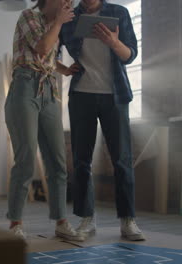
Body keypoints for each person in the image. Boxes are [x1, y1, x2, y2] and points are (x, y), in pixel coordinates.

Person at [59, 0, 145, 241]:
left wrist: (113, 42)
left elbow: (130, 55)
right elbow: (48, 52)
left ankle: (128, 220)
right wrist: (64, 69)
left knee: (122, 159)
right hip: (81, 96)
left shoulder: (118, 13)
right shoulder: (69, 17)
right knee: (81, 160)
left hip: (115, 96)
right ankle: (87, 219)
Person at [4, 0, 83, 241]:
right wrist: (59, 22)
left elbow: (47, 56)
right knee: (26, 158)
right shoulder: (29, 16)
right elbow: (41, 48)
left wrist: (64, 69)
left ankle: (60, 221)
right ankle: (15, 223)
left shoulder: (52, 25)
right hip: (24, 88)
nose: (68, 3)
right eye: (65, 0)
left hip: (49, 91)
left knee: (58, 162)